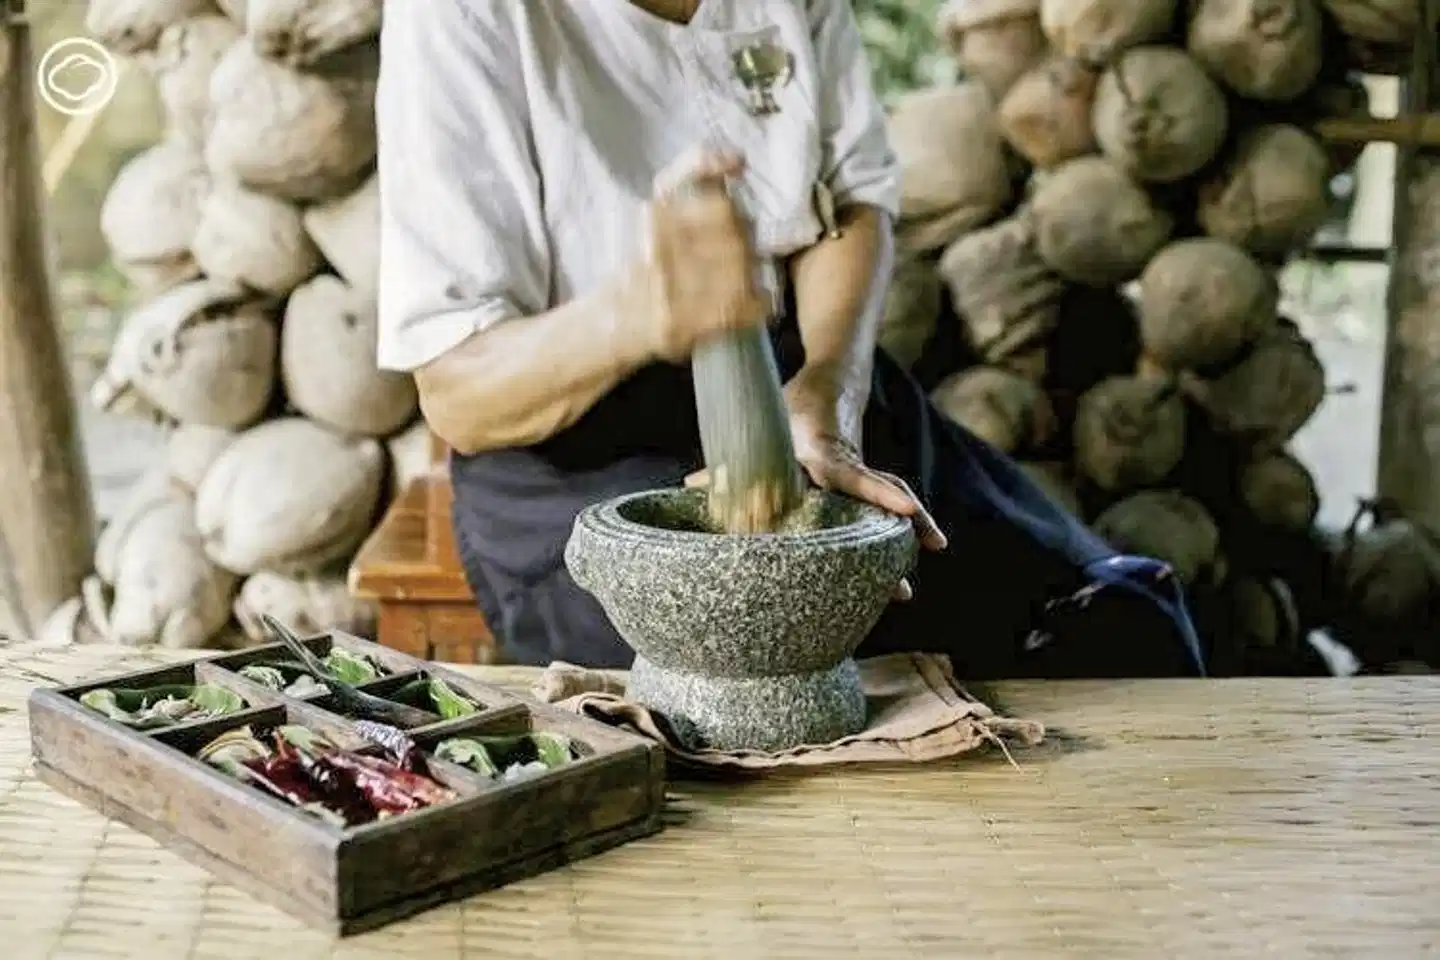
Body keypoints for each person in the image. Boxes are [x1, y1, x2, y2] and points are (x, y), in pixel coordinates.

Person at [375, 0, 1204, 678]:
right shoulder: (463, 17)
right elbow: (457, 393)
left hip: (806, 384)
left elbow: (852, 202)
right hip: (574, 455)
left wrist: (828, 399)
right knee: (809, 681)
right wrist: (637, 313)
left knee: (1114, 620)